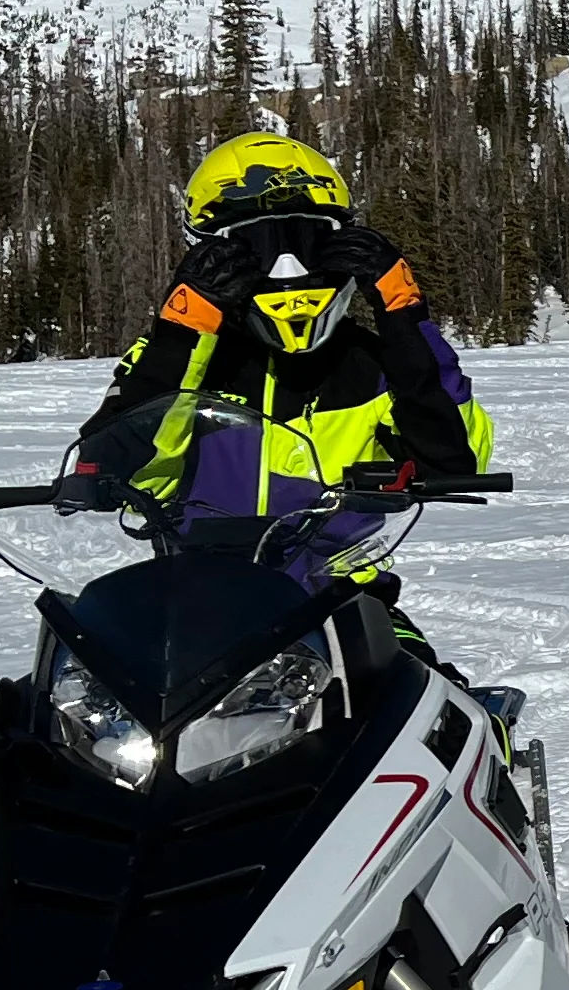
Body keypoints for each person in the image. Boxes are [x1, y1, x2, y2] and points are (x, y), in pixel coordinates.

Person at [73, 130, 496, 643]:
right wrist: (182, 330)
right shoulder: (174, 362)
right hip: (192, 608)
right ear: (213, 256)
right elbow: (108, 463)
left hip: (344, 605)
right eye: (257, 249)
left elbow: (455, 461)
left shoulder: (380, 364)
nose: (287, 269)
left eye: (305, 243)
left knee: (437, 702)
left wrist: (405, 321)